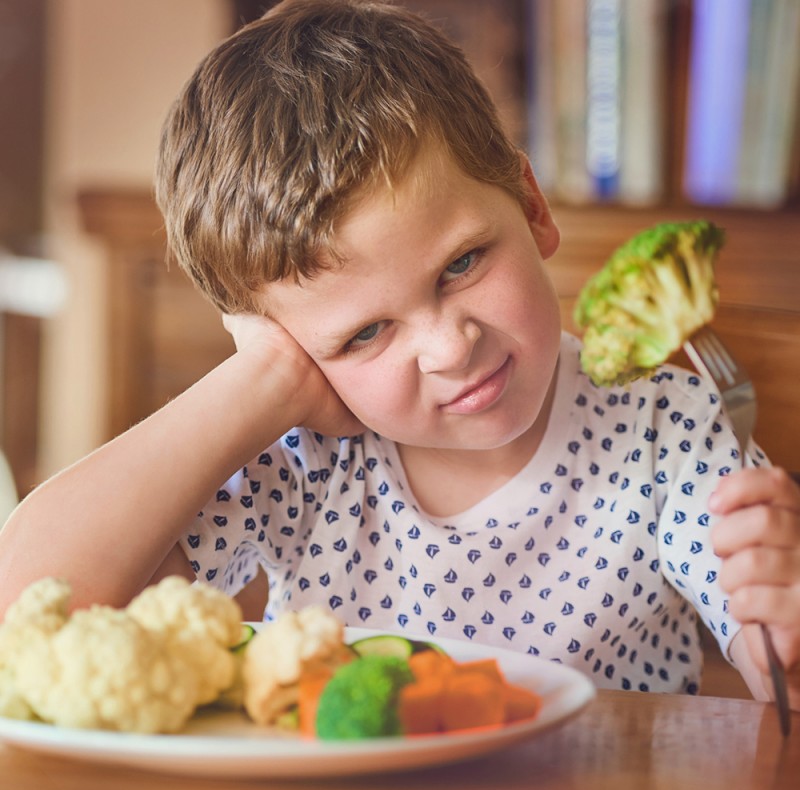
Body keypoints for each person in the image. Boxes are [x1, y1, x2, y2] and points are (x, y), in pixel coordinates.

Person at [0, 0, 798, 705]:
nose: (452, 347)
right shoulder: (302, 459)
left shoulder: (671, 424)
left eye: (463, 263)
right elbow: (25, 617)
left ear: (531, 205)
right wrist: (260, 384)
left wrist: (785, 613)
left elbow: (779, 672)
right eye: (364, 334)